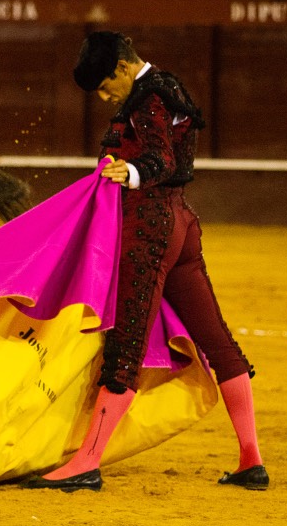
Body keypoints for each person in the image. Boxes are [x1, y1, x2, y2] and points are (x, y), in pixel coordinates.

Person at [23, 31, 268, 492]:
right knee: (217, 341)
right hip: (180, 223)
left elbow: (162, 157)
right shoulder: (168, 88)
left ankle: (87, 461)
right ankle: (250, 459)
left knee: (126, 345)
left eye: (102, 85)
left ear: (120, 67)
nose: (102, 95)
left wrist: (132, 171)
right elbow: (179, 163)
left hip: (149, 227)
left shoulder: (147, 96)